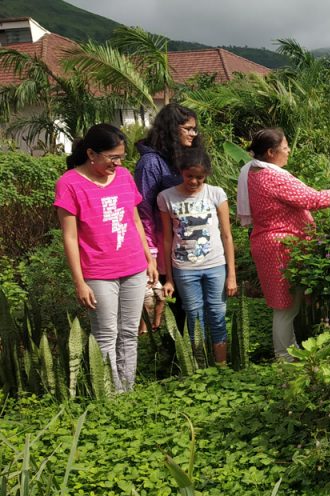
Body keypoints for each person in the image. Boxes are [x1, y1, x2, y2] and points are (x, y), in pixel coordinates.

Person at [243, 128, 330, 359]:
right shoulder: (272, 177)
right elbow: (314, 199)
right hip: (280, 248)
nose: (289, 151)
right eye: (285, 147)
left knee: (288, 307)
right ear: (271, 152)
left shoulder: (255, 171)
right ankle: (284, 358)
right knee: (285, 308)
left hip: (272, 244)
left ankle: (290, 355)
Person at [55, 123, 158, 392]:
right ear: (91, 153)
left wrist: (149, 258)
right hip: (98, 272)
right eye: (112, 157)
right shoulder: (69, 184)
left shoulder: (124, 176)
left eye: (121, 157)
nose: (118, 163)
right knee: (105, 335)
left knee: (129, 333)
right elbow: (69, 237)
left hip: (134, 266)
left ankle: (127, 391)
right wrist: (80, 282)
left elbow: (134, 219)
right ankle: (107, 395)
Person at [158, 147, 237, 365]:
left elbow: (227, 236)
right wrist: (169, 278)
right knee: (194, 316)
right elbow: (167, 239)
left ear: (207, 176)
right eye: (189, 176)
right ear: (181, 172)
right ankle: (200, 368)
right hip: (184, 268)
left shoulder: (216, 193)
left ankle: (220, 366)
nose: (193, 182)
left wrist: (231, 274)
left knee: (217, 314)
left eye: (199, 178)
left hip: (215, 265)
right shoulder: (166, 197)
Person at [134, 103, 202, 328]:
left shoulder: (182, 157)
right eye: (188, 129)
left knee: (192, 303)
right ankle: (175, 356)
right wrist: (151, 253)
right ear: (171, 129)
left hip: (188, 242)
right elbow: (143, 210)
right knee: (177, 305)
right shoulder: (151, 163)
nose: (193, 134)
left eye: (194, 129)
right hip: (164, 246)